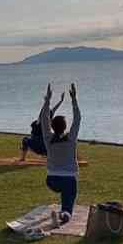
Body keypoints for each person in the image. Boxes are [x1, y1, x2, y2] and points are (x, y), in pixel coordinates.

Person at [40, 82, 81, 223]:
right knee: (68, 205)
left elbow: (44, 119)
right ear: (65, 127)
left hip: (51, 180)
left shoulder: (48, 138)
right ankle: (64, 214)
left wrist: (47, 100)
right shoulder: (71, 138)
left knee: (65, 189)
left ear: (52, 126)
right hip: (69, 179)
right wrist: (74, 99)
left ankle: (62, 211)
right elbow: (77, 119)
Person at [19, 90, 65, 161]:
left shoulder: (39, 122)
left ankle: (22, 158)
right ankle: (47, 156)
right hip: (46, 149)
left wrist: (47, 101)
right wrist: (61, 101)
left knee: (25, 139)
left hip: (38, 148)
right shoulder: (48, 125)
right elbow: (53, 110)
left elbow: (43, 111)